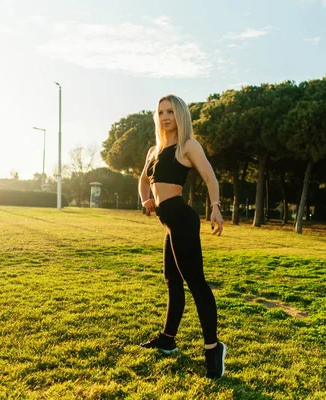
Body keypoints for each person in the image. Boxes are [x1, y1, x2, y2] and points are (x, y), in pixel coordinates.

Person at [138, 94, 226, 379]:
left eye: (171, 112)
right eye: (161, 112)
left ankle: (213, 349)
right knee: (172, 281)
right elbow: (143, 180)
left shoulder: (188, 145)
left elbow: (211, 178)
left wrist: (215, 207)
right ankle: (167, 340)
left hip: (183, 219)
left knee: (195, 283)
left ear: (181, 116)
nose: (165, 117)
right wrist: (146, 200)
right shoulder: (154, 150)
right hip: (168, 222)